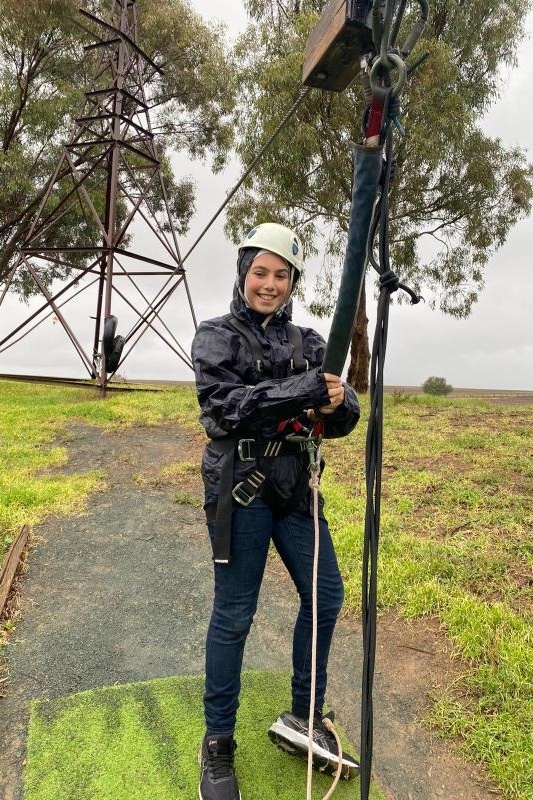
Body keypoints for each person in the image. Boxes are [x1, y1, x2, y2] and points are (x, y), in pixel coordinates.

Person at [192, 222, 360, 800]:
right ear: (243, 274)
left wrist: (337, 402)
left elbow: (342, 414)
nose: (269, 284)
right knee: (235, 613)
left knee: (327, 596)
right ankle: (217, 745)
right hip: (239, 488)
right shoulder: (215, 336)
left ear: (292, 281)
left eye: (281, 274)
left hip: (294, 488)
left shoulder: (311, 343)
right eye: (260, 272)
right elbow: (223, 409)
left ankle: (304, 715)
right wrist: (303, 391)